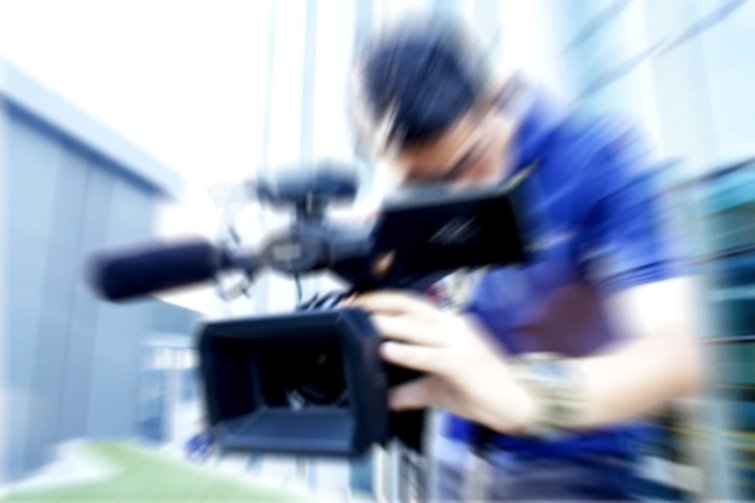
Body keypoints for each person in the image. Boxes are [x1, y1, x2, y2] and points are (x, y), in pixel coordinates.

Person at [345, 15, 702, 501]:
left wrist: (526, 397)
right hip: (449, 462)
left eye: (468, 161)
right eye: (425, 184)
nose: (455, 195)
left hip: (571, 467)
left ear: (496, 97)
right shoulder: (412, 200)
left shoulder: (595, 158)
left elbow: (678, 358)